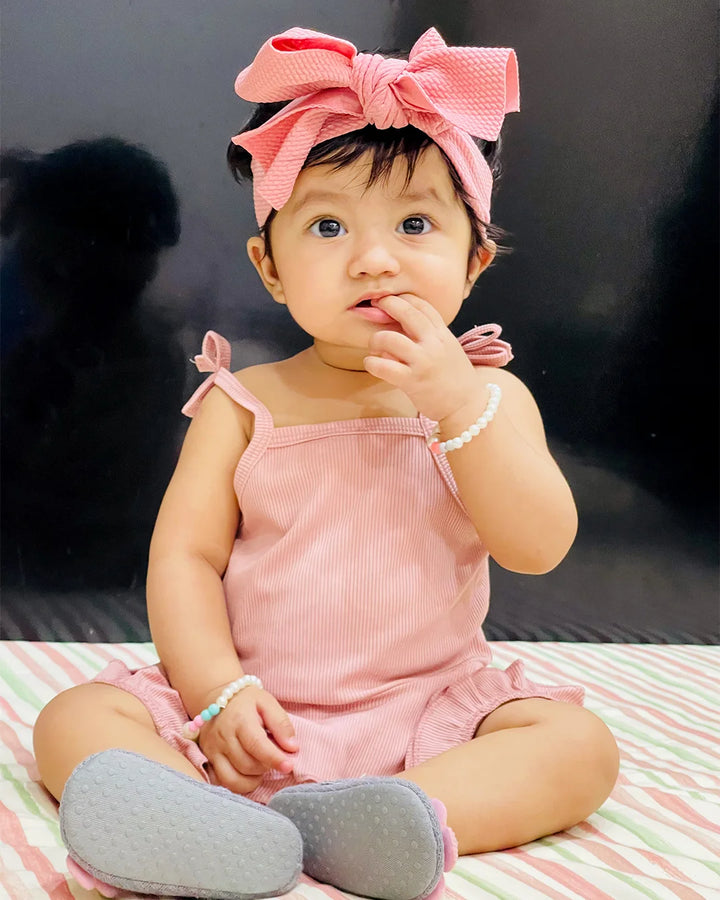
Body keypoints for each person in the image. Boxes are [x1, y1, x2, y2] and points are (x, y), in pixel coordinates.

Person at [33, 26, 620, 900]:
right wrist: (217, 694)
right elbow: (185, 560)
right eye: (329, 225)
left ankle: (393, 814)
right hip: (250, 714)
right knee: (71, 719)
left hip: (428, 717)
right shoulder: (243, 403)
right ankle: (203, 817)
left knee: (580, 750)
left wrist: (456, 404)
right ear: (270, 268)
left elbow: (537, 543)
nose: (374, 258)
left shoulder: (494, 398)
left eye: (416, 224)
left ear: (476, 261)